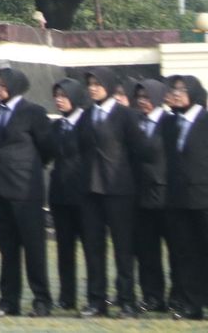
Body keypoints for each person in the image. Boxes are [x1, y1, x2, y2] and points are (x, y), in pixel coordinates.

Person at [0, 66, 55, 318]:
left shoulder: (33, 112)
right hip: (0, 189)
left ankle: (41, 300)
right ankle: (8, 301)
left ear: (14, 86)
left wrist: (28, 167)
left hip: (26, 190)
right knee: (8, 250)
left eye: (2, 84)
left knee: (34, 249)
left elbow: (47, 148)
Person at [79, 66, 147, 317]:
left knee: (123, 248)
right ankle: (96, 300)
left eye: (97, 84)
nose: (93, 88)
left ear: (108, 86)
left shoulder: (125, 115)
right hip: (91, 191)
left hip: (120, 191)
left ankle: (127, 300)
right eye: (90, 84)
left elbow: (138, 151)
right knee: (93, 248)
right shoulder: (87, 115)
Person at [162, 74, 208, 320]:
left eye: (182, 89)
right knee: (185, 252)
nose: (177, 94)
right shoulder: (171, 123)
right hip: (177, 199)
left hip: (203, 198)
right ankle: (192, 304)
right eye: (174, 90)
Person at [47, 78, 89, 313]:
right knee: (64, 249)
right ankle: (66, 296)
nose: (59, 100)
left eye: (63, 95)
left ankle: (96, 296)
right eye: (56, 96)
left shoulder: (87, 123)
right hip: (60, 196)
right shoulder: (56, 126)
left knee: (91, 249)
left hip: (84, 196)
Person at [131, 78, 170, 313]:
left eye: (147, 97)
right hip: (140, 196)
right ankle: (152, 296)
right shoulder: (135, 122)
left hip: (166, 196)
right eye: (139, 97)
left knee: (177, 251)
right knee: (146, 251)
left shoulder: (169, 122)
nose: (142, 101)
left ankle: (181, 296)